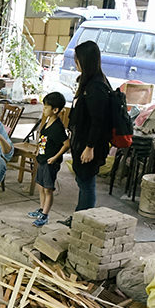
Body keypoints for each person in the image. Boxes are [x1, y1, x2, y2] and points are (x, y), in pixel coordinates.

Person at [67, 40, 111, 219]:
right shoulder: (89, 82)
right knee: (82, 181)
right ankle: (79, 217)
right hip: (82, 141)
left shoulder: (97, 86)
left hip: (90, 144)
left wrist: (89, 147)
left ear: (85, 61)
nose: (75, 63)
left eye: (76, 59)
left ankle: (82, 220)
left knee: (87, 183)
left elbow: (98, 121)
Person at [28, 92, 69, 227]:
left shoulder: (58, 127)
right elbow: (43, 139)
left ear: (55, 110)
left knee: (48, 189)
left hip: (50, 162)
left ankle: (45, 215)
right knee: (40, 186)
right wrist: (37, 148)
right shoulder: (47, 121)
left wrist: (55, 157)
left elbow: (67, 144)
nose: (43, 109)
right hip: (42, 159)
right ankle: (41, 209)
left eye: (46, 107)